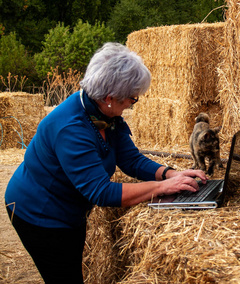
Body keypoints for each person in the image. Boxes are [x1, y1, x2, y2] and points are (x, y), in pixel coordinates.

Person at [4, 42, 207, 283]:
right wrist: (161, 189)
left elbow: (129, 159)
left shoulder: (102, 112)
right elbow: (100, 192)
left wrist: (169, 174)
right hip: (40, 212)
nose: (133, 103)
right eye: (132, 99)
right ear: (110, 98)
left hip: (67, 208)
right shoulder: (71, 129)